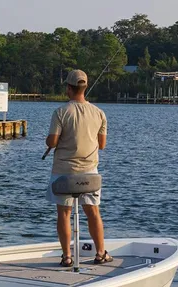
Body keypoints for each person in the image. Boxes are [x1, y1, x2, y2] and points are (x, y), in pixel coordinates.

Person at [45, 69, 112, 267]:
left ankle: (67, 256)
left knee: (64, 214)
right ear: (85, 87)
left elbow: (53, 141)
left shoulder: (60, 112)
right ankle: (100, 253)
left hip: (63, 173)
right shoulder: (100, 113)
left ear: (68, 88)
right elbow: (102, 145)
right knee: (93, 213)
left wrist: (49, 140)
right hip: (90, 175)